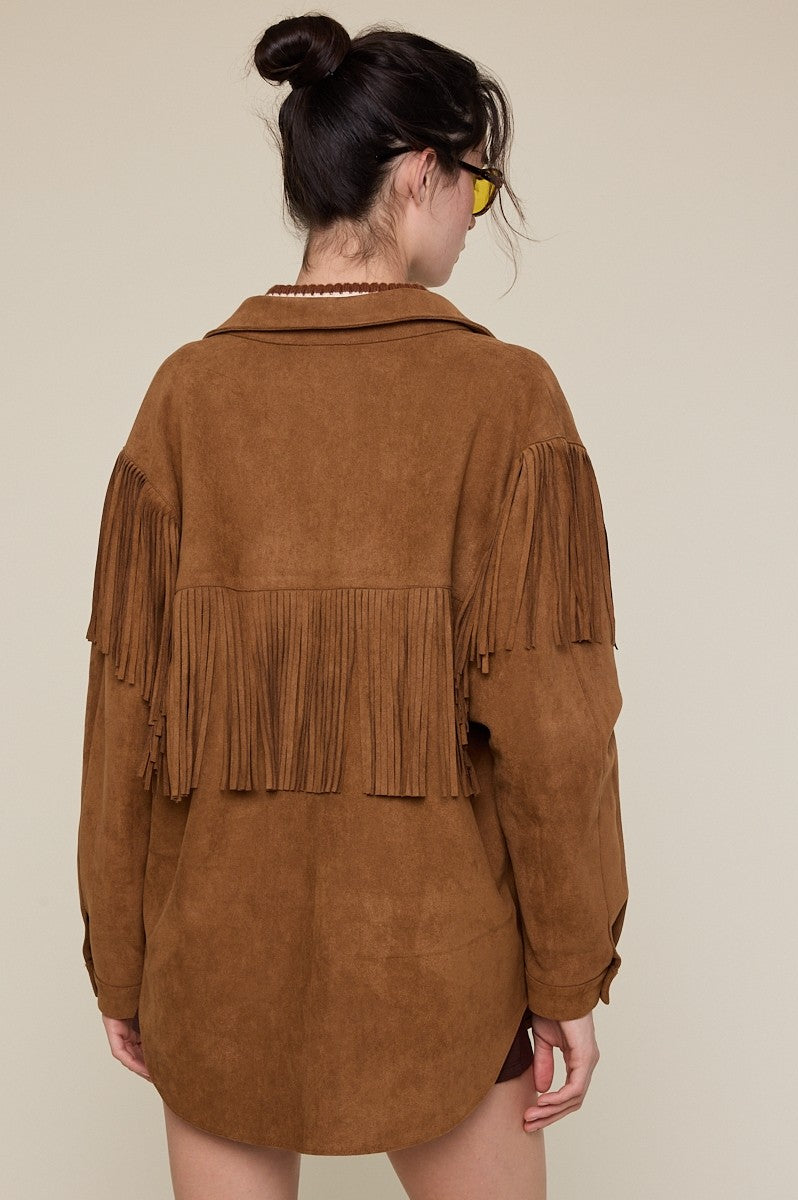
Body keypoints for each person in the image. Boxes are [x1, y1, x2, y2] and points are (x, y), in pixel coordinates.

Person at [76, 12, 628, 1200]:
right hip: (440, 975)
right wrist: (568, 976)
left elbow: (122, 715)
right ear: (420, 173)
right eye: (476, 187)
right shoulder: (506, 402)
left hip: (215, 967)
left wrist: (118, 962)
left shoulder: (186, 397)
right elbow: (555, 730)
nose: (471, 217)